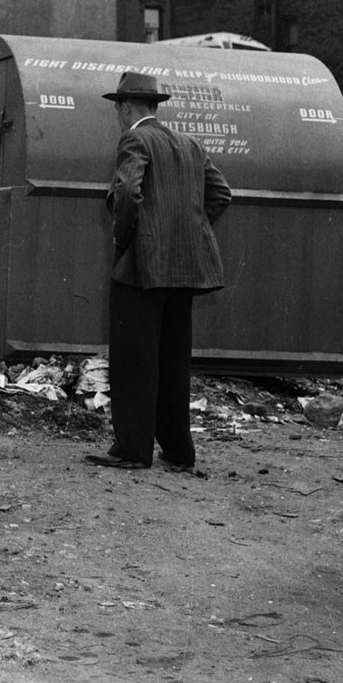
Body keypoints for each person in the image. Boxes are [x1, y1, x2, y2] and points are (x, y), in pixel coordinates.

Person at [85, 72, 231, 472]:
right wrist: (187, 231)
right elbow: (220, 194)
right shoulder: (189, 144)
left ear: (127, 107)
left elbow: (129, 194)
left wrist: (127, 238)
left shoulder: (135, 139)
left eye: (117, 106)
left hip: (142, 268)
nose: (116, 113)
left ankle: (133, 449)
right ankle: (179, 450)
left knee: (134, 360)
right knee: (173, 360)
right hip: (184, 269)